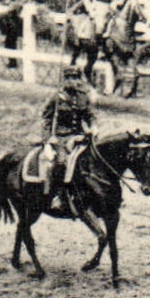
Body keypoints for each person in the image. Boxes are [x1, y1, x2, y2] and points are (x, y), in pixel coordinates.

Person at [40, 67, 96, 215]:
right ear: (64, 79)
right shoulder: (57, 98)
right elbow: (46, 120)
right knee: (61, 162)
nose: (72, 81)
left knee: (96, 158)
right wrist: (48, 139)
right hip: (61, 138)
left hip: (79, 136)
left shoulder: (83, 96)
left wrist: (93, 127)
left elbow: (90, 115)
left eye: (75, 77)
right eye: (69, 78)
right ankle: (59, 196)